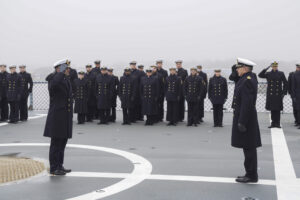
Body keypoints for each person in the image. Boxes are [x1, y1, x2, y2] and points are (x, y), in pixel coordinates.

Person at [232, 58, 261, 183]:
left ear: (244, 68)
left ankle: (251, 175)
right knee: (247, 147)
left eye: (238, 68)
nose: (237, 70)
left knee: (249, 147)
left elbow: (247, 103)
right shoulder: (246, 78)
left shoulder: (247, 81)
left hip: (246, 119)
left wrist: (242, 121)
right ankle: (249, 172)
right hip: (246, 117)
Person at [43, 59, 73, 176]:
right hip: (57, 117)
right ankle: (54, 168)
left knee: (62, 143)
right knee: (56, 143)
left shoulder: (65, 79)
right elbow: (53, 86)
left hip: (65, 117)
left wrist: (63, 71)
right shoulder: (53, 79)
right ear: (58, 69)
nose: (68, 70)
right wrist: (60, 72)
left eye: (68, 68)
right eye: (66, 68)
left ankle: (60, 165)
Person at [258, 62, 287, 128]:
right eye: (273, 66)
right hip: (271, 94)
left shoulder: (281, 73)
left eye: (276, 66)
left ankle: (278, 123)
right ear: (272, 67)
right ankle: (273, 123)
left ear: (277, 67)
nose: (275, 67)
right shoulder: (268, 73)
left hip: (278, 94)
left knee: (278, 109)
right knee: (272, 109)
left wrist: (284, 92)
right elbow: (260, 75)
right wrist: (267, 67)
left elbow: (285, 83)